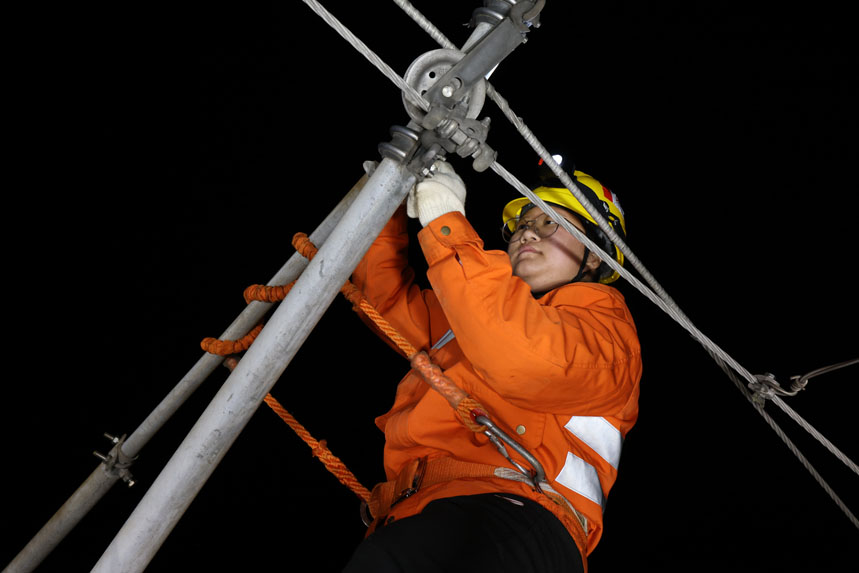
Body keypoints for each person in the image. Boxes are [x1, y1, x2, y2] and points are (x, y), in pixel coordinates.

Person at [343, 157, 642, 572]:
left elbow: (526, 358)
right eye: (521, 225)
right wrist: (383, 204)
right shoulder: (470, 316)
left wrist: (446, 224)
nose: (526, 234)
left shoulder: (605, 328)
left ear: (593, 257)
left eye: (550, 223)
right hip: (423, 510)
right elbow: (385, 300)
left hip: (521, 515)